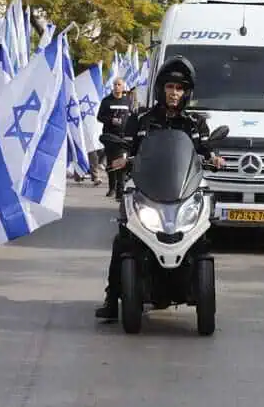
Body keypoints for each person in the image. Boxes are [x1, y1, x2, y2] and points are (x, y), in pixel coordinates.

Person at [95, 56, 224, 320]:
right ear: (161, 89)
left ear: (186, 92)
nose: (174, 93)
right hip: (147, 191)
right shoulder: (142, 119)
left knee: (203, 239)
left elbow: (206, 150)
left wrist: (214, 158)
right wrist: (121, 157)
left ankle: (199, 287)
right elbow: (127, 146)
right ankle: (112, 298)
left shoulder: (195, 124)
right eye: (169, 87)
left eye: (179, 88)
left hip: (183, 193)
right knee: (123, 241)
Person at [97, 78, 131, 198]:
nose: (117, 87)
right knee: (111, 162)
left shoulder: (128, 100)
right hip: (110, 136)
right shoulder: (106, 101)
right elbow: (99, 117)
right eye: (115, 84)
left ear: (123, 87)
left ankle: (120, 189)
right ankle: (112, 188)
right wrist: (111, 120)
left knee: (121, 163)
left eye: (119, 85)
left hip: (123, 137)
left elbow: (132, 116)